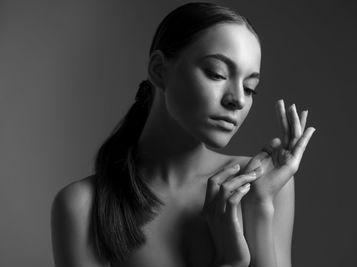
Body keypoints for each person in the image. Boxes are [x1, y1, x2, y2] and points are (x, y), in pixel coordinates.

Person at [51, 2, 316, 267]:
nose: (237, 99)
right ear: (159, 69)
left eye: (249, 88)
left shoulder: (261, 184)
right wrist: (230, 262)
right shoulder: (84, 206)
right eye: (217, 74)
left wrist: (259, 208)